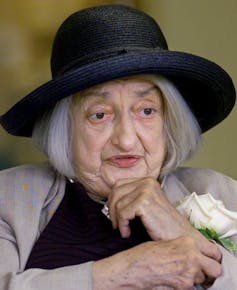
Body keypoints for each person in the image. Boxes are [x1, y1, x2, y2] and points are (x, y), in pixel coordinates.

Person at [0, 4, 236, 290]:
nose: (125, 139)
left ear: (169, 122)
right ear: (65, 130)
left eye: (146, 111)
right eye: (99, 115)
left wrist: (185, 234)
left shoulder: (221, 193)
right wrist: (121, 272)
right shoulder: (9, 198)